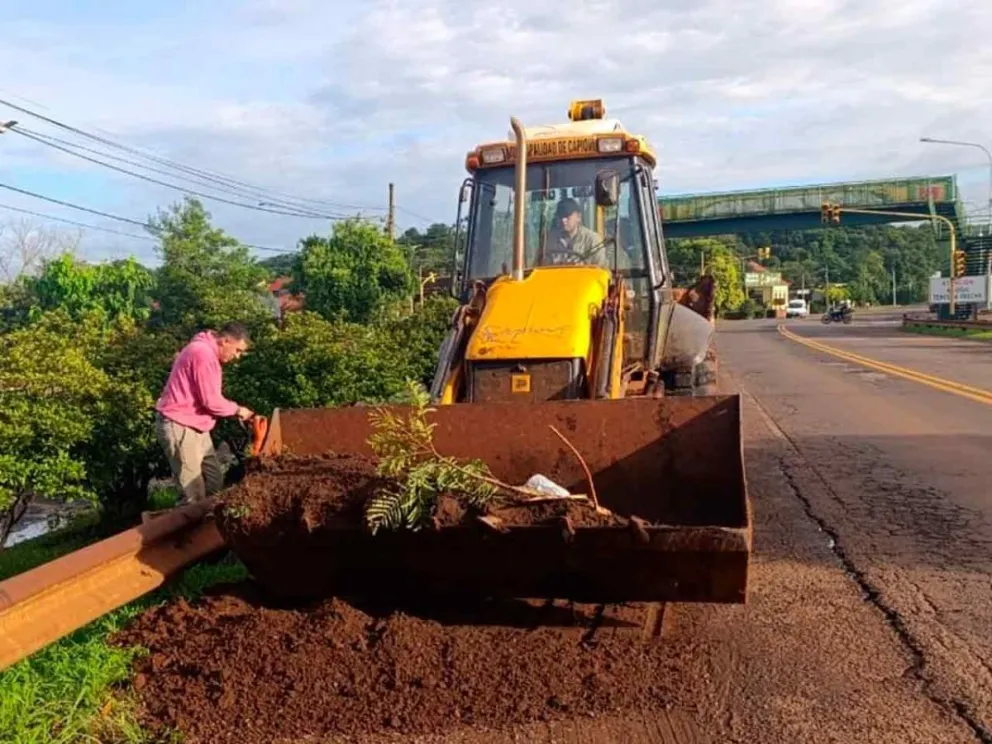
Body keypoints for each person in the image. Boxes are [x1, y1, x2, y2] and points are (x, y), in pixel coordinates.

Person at [155, 322, 255, 505]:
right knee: (193, 494)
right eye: (238, 350)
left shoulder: (206, 352)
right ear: (225, 341)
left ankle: (202, 523)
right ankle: (183, 528)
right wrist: (238, 410)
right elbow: (211, 401)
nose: (237, 357)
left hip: (196, 425)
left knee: (213, 481)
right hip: (180, 425)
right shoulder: (202, 354)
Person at [545, 197, 602, 264]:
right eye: (561, 216)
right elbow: (540, 267)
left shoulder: (592, 240)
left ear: (578, 217)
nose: (564, 220)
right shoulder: (549, 240)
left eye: (567, 216)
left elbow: (601, 269)